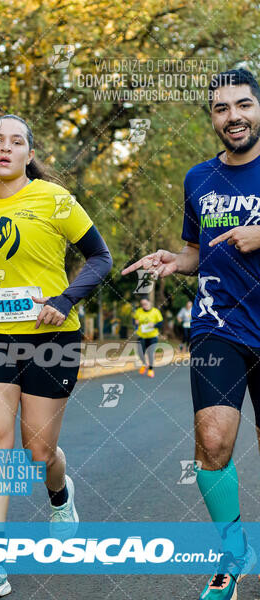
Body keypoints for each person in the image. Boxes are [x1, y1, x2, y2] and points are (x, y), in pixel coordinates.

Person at [0, 114, 112, 599]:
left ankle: (61, 494)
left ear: (29, 155)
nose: (6, 148)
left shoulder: (55, 199)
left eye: (17, 142)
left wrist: (64, 300)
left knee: (38, 451)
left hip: (51, 338)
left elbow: (100, 257)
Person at [122, 68, 260, 599]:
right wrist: (173, 261)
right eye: (222, 109)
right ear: (212, 117)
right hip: (218, 325)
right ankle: (234, 553)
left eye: (243, 105)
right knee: (212, 442)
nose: (234, 117)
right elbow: (199, 252)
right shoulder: (197, 178)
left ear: (258, 108)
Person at [133, 297, 163, 378]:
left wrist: (154, 325)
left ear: (149, 303)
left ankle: (150, 369)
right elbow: (134, 320)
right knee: (140, 352)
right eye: (142, 304)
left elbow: (160, 323)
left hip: (152, 336)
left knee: (150, 352)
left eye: (145, 304)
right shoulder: (138, 311)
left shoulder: (155, 312)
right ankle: (144, 364)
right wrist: (136, 323)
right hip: (141, 335)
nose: (144, 306)